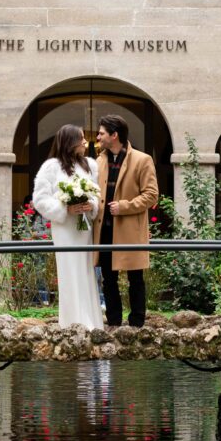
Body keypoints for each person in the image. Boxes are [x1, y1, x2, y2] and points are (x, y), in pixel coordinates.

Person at [32, 124, 104, 330]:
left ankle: (92, 323)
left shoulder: (90, 165)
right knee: (69, 271)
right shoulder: (51, 167)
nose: (85, 142)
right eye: (81, 138)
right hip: (64, 229)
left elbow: (96, 194)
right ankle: (72, 323)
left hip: (84, 228)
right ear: (70, 141)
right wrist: (64, 209)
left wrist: (91, 205)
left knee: (87, 271)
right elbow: (40, 199)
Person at [94, 114, 159, 328]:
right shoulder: (99, 160)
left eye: (102, 133)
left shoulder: (142, 160)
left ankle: (137, 324)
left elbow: (151, 195)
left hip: (129, 229)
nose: (98, 136)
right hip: (103, 230)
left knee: (135, 278)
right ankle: (113, 323)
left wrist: (124, 206)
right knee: (108, 279)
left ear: (114, 135)